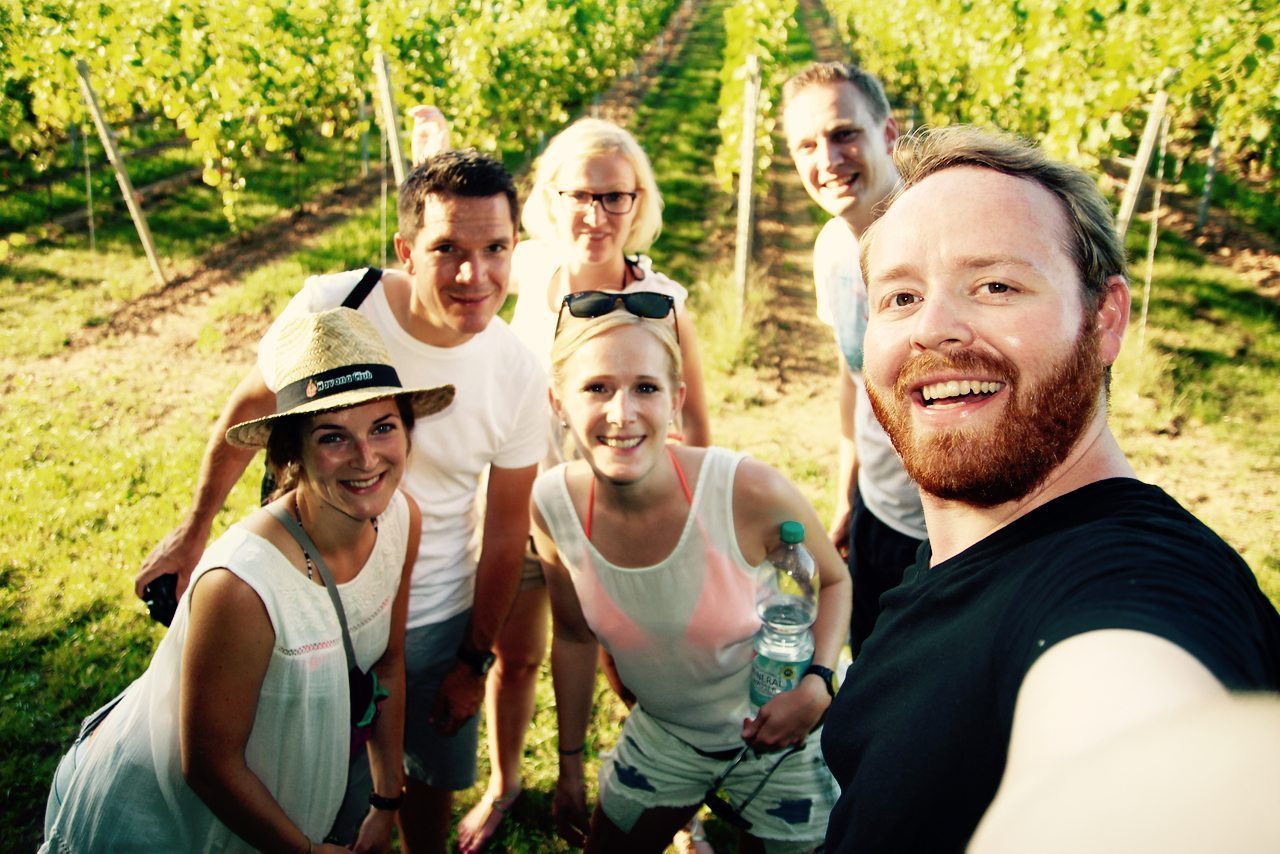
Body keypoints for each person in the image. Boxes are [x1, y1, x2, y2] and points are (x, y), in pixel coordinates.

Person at [821, 124, 1280, 852]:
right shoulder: (955, 555)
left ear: (1105, 320)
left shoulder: (1133, 579)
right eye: (900, 296)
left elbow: (1138, 748)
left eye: (995, 285)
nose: (933, 328)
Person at [133, 150, 549, 853]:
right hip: (310, 603)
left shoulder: (516, 371)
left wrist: (472, 660)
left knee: (427, 784)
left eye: (496, 248)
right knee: (314, 789)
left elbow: (506, 532)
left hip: (434, 613)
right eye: (448, 248)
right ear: (406, 250)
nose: (475, 275)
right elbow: (249, 409)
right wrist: (194, 528)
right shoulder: (337, 307)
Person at [404, 110, 714, 852]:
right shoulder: (532, 270)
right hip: (521, 506)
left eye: (617, 197)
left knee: (632, 667)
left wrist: (682, 518)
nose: (597, 214)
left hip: (614, 522)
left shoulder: (663, 302)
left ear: (640, 205)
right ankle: (506, 784)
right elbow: (452, 239)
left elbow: (697, 425)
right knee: (516, 658)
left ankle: (666, 803)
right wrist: (433, 158)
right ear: (551, 199)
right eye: (581, 194)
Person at [41, 307, 452, 853]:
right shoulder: (242, 586)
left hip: (288, 801)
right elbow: (209, 765)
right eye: (333, 437)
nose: (366, 457)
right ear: (291, 455)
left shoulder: (403, 518)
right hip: (178, 827)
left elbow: (388, 666)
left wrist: (386, 801)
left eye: (383, 426)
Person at [534, 302, 850, 852]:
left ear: (677, 400)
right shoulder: (553, 505)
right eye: (598, 388)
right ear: (558, 402)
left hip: (788, 737)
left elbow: (835, 581)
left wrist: (817, 686)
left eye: (646, 389)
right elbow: (573, 636)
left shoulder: (744, 489)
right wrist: (569, 766)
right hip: (667, 733)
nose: (621, 413)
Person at [781, 62, 926, 656]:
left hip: (955, 528)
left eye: (845, 134)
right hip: (880, 511)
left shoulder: (937, 241)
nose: (828, 159)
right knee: (871, 669)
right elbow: (854, 375)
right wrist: (849, 493)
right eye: (807, 145)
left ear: (889, 134)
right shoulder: (833, 246)